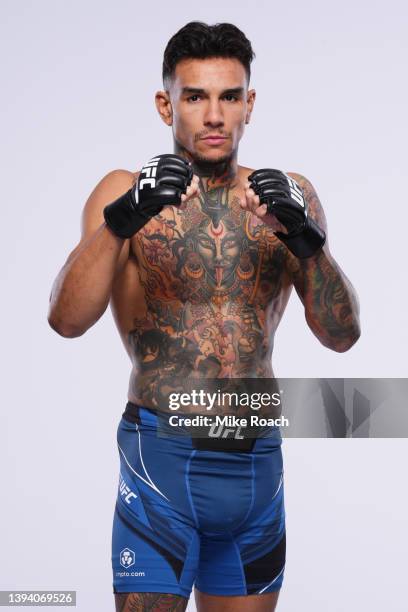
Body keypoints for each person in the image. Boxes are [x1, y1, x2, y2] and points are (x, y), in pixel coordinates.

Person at [48, 21, 360, 612]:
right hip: (161, 461)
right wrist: (124, 218)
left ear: (249, 104)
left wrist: (306, 238)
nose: (214, 115)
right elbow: (67, 319)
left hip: (255, 464)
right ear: (167, 103)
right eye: (195, 97)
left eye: (229, 96)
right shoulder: (122, 192)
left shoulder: (287, 196)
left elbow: (342, 336)